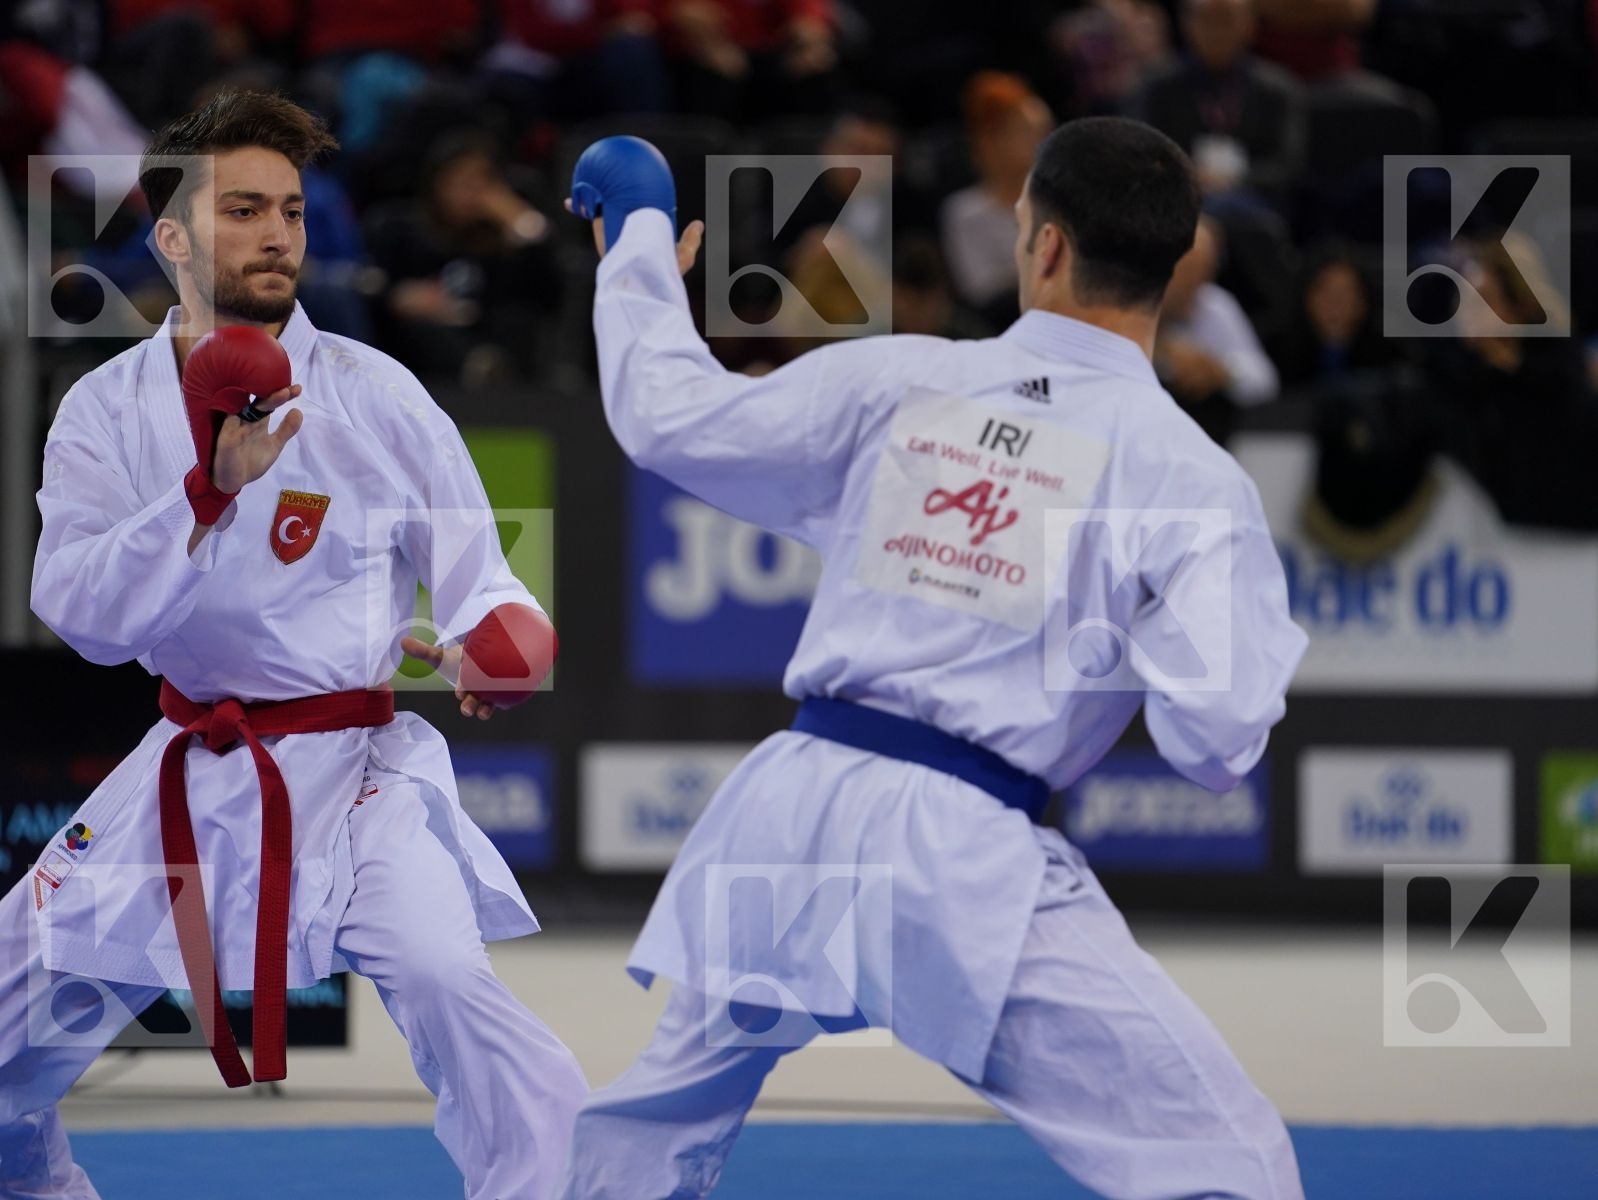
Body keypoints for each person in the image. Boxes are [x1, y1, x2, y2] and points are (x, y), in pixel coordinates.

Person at [560, 119, 1308, 1198]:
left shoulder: (896, 377)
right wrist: (1129, 621)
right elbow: (1213, 741)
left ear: (1044, 245)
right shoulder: (1188, 479)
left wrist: (636, 239)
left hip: (797, 811)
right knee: (1226, 1166)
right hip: (960, 858)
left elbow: (664, 417)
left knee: (651, 1129)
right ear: (1177, 258)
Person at [0, 89, 587, 1200]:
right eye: (243, 211)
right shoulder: (105, 410)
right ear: (172, 238)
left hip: (357, 772)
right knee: (6, 1043)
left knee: (446, 981)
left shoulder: (376, 396)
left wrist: (498, 644)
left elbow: (487, 579)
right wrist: (205, 496)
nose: (278, 235)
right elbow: (80, 614)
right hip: (185, 770)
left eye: (292, 211)